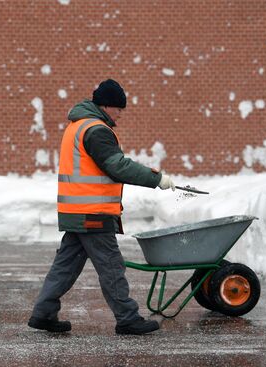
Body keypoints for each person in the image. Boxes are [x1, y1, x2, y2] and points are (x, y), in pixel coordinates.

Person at [28, 79, 176, 335]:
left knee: (65, 266)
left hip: (76, 211)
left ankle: (43, 313)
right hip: (93, 212)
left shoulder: (77, 126)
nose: (120, 114)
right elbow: (117, 166)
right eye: (119, 108)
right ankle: (127, 318)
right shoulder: (96, 130)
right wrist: (156, 179)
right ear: (107, 105)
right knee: (111, 266)